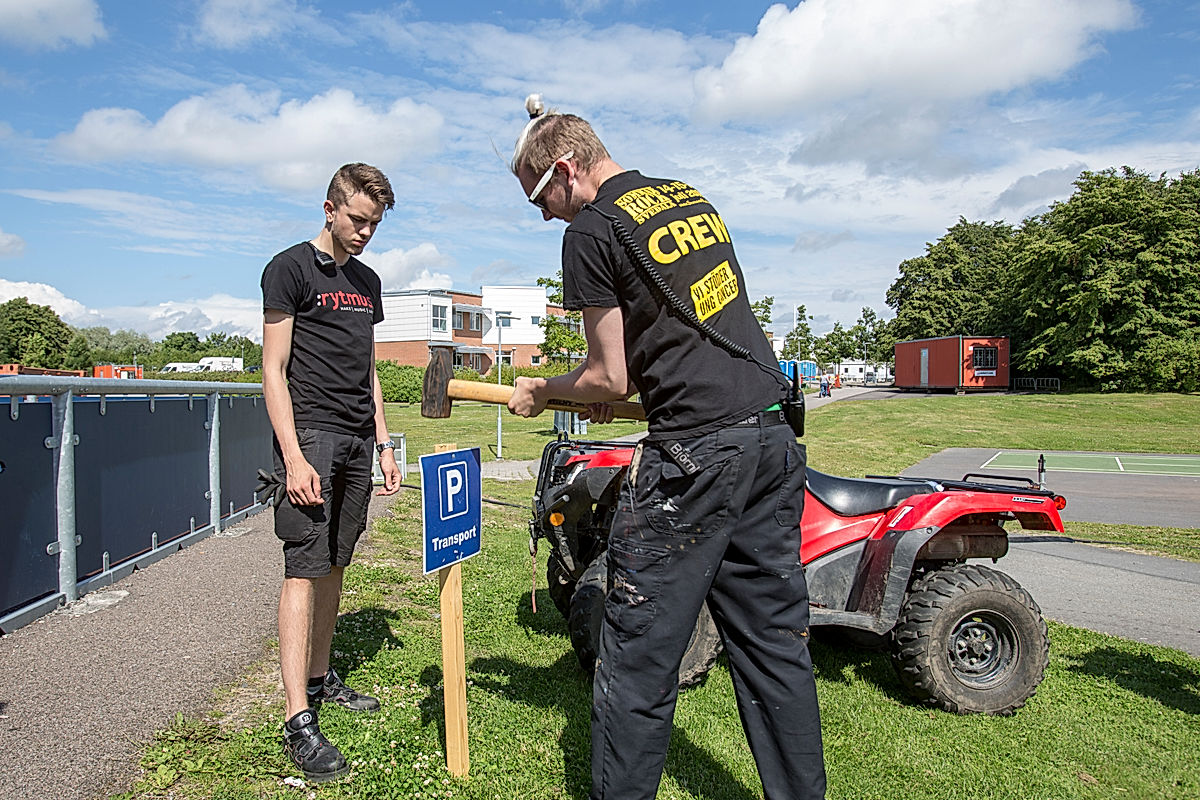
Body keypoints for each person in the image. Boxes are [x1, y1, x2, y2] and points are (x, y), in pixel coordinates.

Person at [506, 98, 826, 800]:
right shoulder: (686, 198)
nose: (542, 214)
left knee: (637, 655)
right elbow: (671, 355)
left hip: (696, 462)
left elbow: (608, 374)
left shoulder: (591, 229)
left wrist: (542, 391)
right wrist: (609, 388)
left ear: (566, 168)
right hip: (769, 434)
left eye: (539, 195)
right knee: (774, 647)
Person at [260, 162, 401, 783]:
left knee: (338, 561)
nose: (366, 232)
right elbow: (273, 368)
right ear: (329, 208)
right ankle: (297, 719)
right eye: (358, 219)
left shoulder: (368, 282)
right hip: (311, 436)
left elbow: (368, 367)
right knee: (303, 567)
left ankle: (319, 678)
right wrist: (292, 455)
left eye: (375, 223)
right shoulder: (288, 269)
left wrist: (385, 440)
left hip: (355, 439)